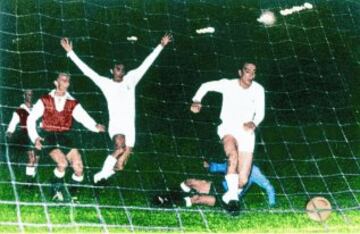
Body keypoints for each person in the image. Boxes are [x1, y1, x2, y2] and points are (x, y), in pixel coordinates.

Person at [60, 34, 172, 183]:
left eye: (122, 69)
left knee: (120, 165)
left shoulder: (131, 79)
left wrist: (161, 45)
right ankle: (98, 178)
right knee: (119, 146)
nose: (120, 71)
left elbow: (147, 63)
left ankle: (100, 177)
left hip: (130, 126)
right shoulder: (105, 83)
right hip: (116, 125)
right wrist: (71, 53)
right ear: (111, 71)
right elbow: (87, 71)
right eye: (117, 68)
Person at [190, 63, 265, 209]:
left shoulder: (258, 89)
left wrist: (254, 123)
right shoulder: (227, 84)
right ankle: (232, 201)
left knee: (242, 180)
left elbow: (260, 112)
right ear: (240, 72)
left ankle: (226, 196)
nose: (251, 74)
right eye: (247, 71)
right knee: (232, 156)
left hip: (247, 133)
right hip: (228, 129)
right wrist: (197, 100)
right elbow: (205, 86)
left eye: (254, 72)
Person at [27, 73, 105, 201]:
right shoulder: (44, 100)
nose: (66, 83)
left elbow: (84, 117)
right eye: (63, 80)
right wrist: (35, 137)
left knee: (79, 168)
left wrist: (95, 126)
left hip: (66, 137)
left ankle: (72, 194)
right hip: (49, 136)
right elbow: (31, 119)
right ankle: (54, 190)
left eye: (68, 81)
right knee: (62, 163)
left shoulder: (72, 102)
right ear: (55, 82)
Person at [152, 178, 240, 216]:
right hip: (220, 186)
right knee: (190, 182)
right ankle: (168, 197)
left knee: (198, 199)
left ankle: (169, 201)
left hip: (228, 198)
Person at [203, 160, 275, 207]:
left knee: (210, 200)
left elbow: (268, 187)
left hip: (233, 197)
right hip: (222, 187)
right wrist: (209, 166)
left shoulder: (254, 171)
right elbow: (220, 167)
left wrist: (272, 203)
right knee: (202, 184)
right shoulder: (234, 161)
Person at [6, 90, 39, 181]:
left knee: (36, 159)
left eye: (32, 94)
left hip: (38, 135)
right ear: (24, 96)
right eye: (28, 94)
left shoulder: (38, 108)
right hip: (26, 135)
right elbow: (13, 123)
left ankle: (32, 178)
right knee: (31, 157)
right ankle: (28, 183)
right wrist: (10, 132)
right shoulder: (20, 110)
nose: (30, 96)